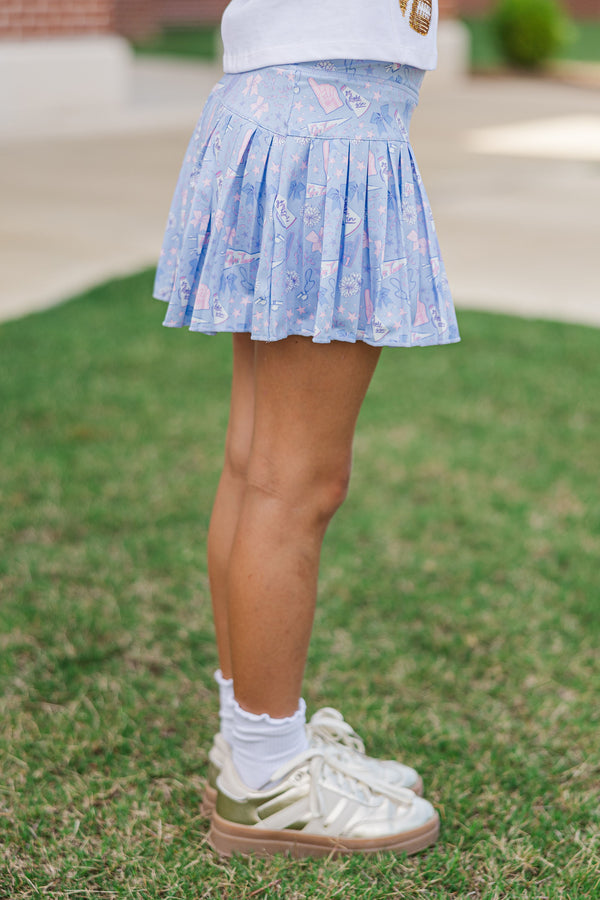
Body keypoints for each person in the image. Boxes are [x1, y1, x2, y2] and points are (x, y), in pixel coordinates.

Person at [153, 0, 460, 859]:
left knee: (259, 465)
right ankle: (269, 780)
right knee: (296, 479)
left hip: (296, 111)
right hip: (325, 126)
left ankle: (251, 741)